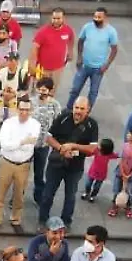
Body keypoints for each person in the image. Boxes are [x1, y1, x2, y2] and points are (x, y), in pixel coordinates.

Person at [38, 96, 98, 230]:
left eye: (82, 108)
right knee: (48, 193)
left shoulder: (92, 125)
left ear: (88, 110)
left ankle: (66, 222)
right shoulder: (63, 117)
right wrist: (61, 148)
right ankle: (42, 221)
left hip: (75, 167)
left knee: (70, 196)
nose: (78, 111)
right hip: (56, 164)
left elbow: (92, 149)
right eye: (76, 107)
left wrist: (73, 146)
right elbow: (48, 137)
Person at [0, 96, 39, 231]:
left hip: (24, 165)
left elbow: (31, 144)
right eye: (21, 109)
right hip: (7, 162)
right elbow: (5, 145)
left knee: (19, 195)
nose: (23, 112)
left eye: (26, 110)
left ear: (31, 111)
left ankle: (16, 220)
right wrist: (22, 141)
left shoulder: (35, 125)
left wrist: (17, 143)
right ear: (17, 109)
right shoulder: (8, 124)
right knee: (0, 193)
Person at [66, 7, 117, 110]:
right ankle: (69, 109)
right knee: (75, 89)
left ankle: (86, 111)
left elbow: (114, 49)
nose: (96, 19)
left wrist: (107, 64)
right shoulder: (87, 27)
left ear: (105, 17)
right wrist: (79, 57)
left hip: (98, 68)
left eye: (99, 17)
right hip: (84, 65)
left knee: (93, 92)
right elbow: (80, 41)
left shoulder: (111, 31)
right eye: (95, 16)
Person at [30, 78, 62, 209]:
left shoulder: (55, 105)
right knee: (23, 172)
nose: (41, 93)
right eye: (39, 89)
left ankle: (39, 197)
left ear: (49, 90)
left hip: (43, 145)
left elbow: (58, 123)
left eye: (44, 90)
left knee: (39, 172)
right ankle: (17, 196)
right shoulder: (31, 102)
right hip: (29, 143)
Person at [108, 126, 132, 219]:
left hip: (131, 176)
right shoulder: (125, 146)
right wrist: (123, 173)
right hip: (119, 173)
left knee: (129, 193)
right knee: (116, 191)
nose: (127, 135)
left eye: (130, 134)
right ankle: (115, 207)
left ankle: (128, 208)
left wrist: (130, 174)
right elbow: (121, 160)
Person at [30, 8, 74, 86]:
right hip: (43, 69)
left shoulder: (68, 30)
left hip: (58, 68)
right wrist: (32, 65)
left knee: (53, 89)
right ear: (51, 18)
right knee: (42, 90)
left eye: (58, 18)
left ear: (63, 18)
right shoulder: (43, 31)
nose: (56, 21)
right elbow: (34, 48)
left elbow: (71, 38)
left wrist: (70, 51)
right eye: (54, 18)